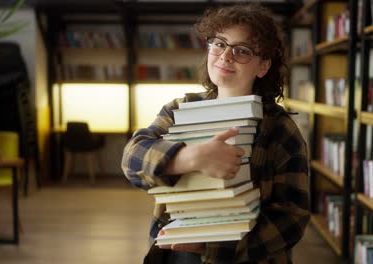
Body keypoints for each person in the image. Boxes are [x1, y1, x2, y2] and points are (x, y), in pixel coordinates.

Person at [121, 3, 310, 264]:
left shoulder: (280, 128)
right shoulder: (179, 109)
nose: (225, 56)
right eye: (219, 43)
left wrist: (211, 246)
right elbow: (132, 160)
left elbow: (292, 218)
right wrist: (191, 158)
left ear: (263, 66)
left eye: (242, 50)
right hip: (176, 251)